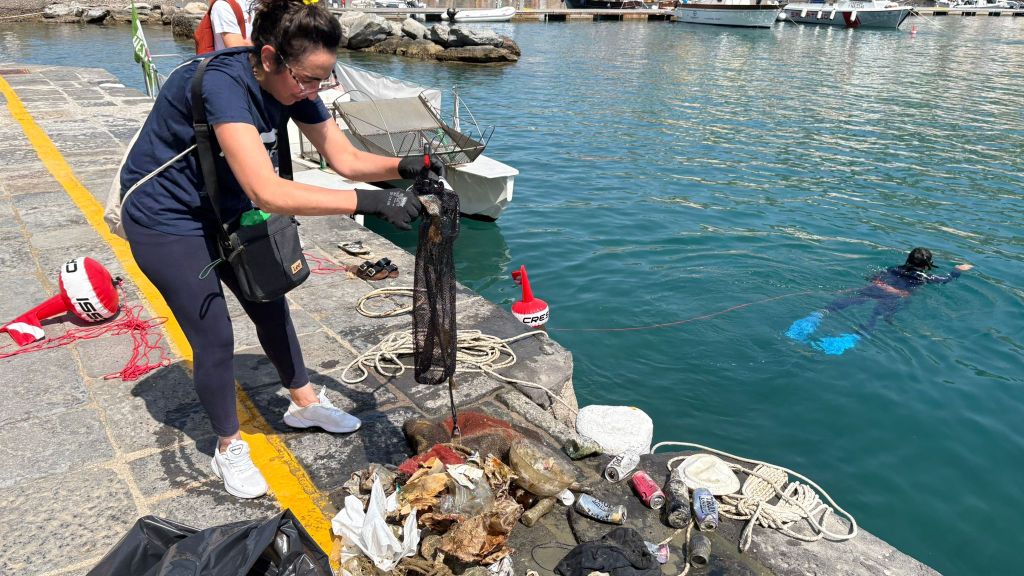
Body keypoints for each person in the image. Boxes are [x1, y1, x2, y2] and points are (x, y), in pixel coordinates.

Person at [119, 0, 443, 498]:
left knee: (269, 300)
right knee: (215, 336)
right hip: (167, 216)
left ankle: (304, 404)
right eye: (307, 80)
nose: (313, 92)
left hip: (227, 206)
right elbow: (267, 191)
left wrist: (405, 167)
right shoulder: (225, 86)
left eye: (322, 81)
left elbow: (345, 158)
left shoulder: (295, 81)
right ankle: (228, 445)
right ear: (269, 58)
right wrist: (373, 203)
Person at [786, 248, 973, 354]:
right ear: (927, 265)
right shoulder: (925, 277)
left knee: (839, 304)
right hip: (893, 297)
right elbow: (946, 280)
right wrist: (957, 270)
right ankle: (850, 339)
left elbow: (872, 278)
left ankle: (814, 317)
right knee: (875, 319)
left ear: (908, 259)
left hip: (874, 288)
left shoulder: (892, 268)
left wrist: (880, 285)